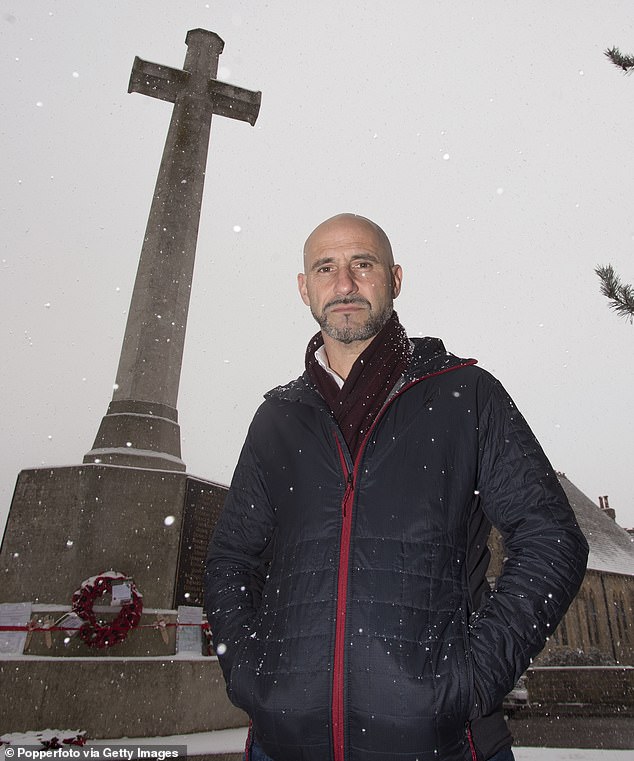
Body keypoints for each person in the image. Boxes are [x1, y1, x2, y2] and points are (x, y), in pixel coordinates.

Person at [205, 213, 589, 761]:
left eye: (363, 264)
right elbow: (230, 561)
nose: (344, 284)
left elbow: (553, 538)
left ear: (395, 278)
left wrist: (469, 680)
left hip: (445, 745)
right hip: (286, 745)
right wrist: (254, 680)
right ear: (303, 288)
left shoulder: (466, 395)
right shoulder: (276, 419)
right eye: (325, 268)